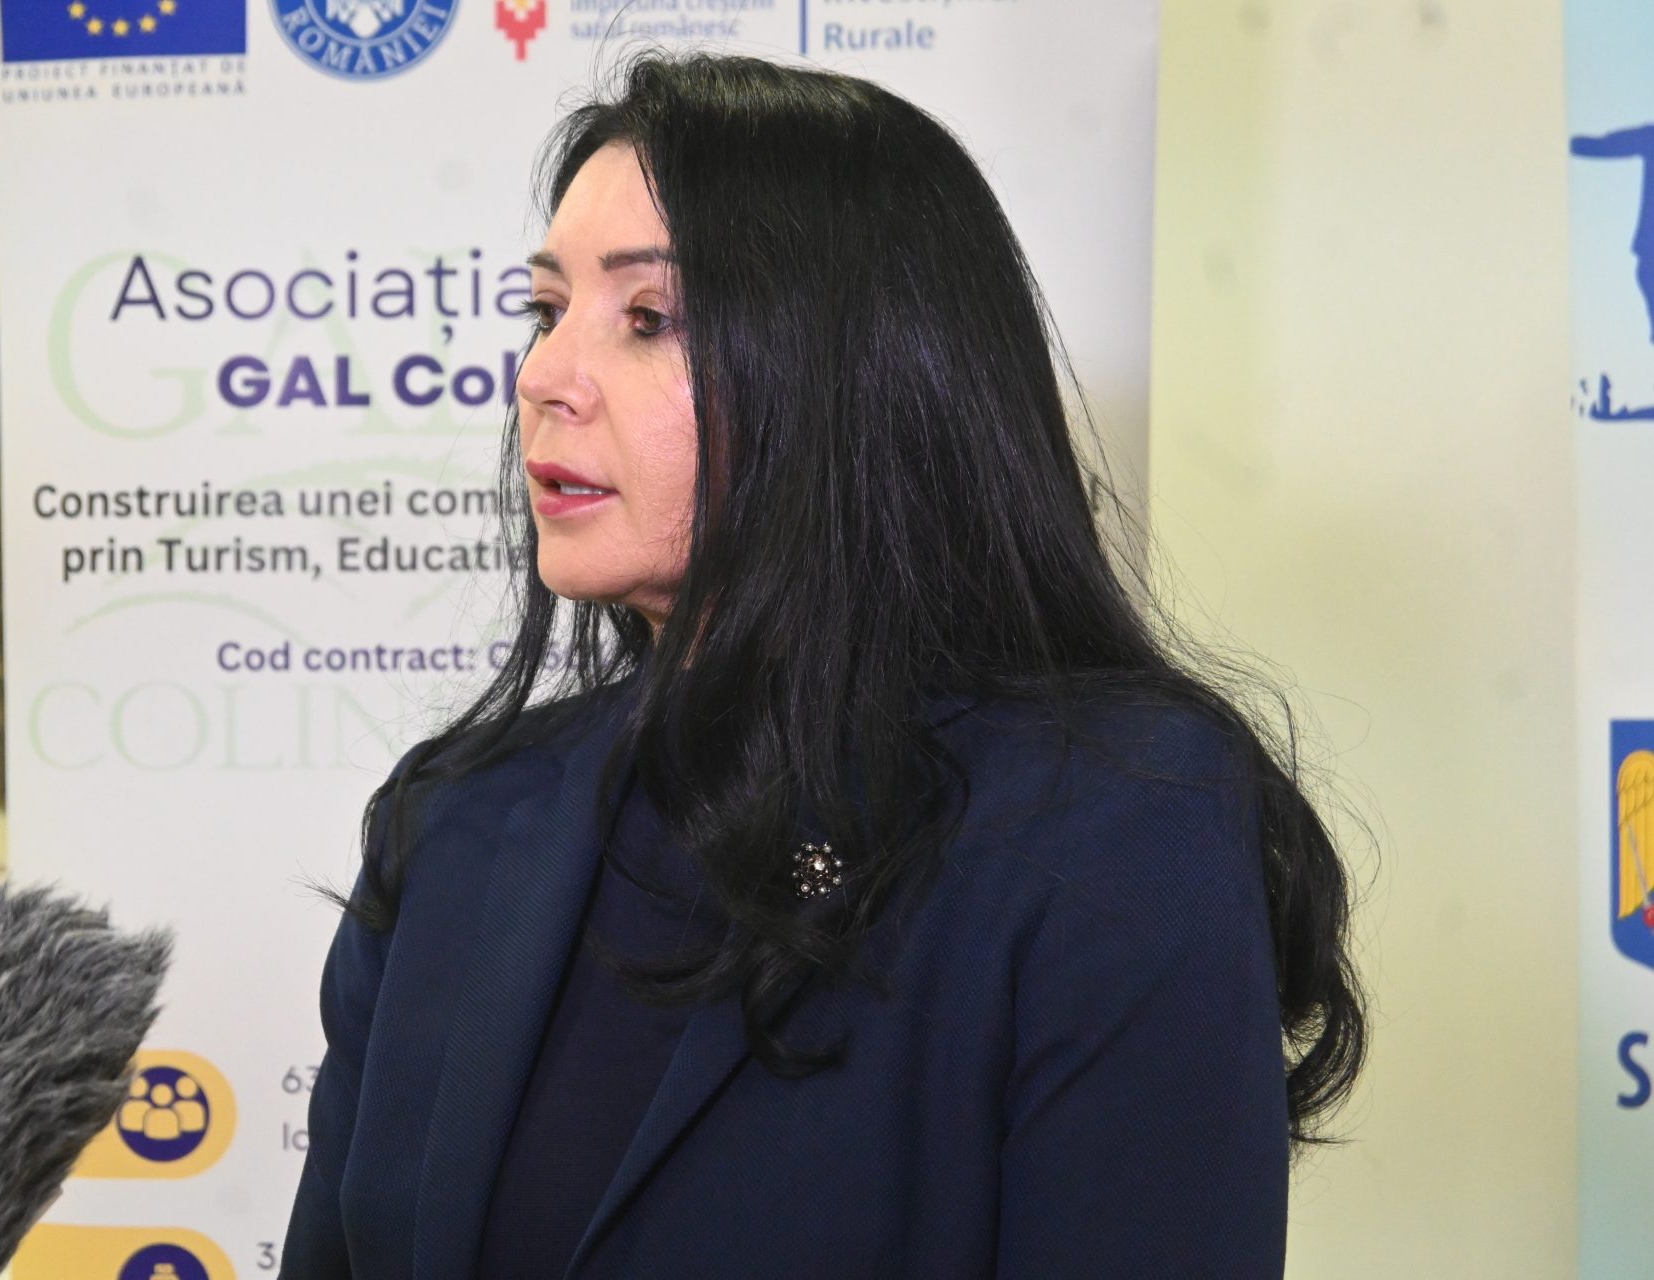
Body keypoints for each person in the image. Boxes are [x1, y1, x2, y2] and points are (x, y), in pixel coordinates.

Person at [280, 47, 1367, 1279]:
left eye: (648, 319)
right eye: (546, 312)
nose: (543, 378)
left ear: (853, 370)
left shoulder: (1111, 822)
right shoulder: (455, 821)